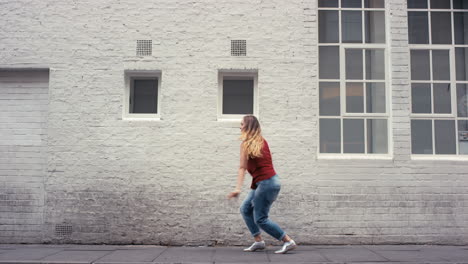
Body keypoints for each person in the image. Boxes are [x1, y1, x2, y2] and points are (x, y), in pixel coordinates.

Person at [227, 115, 297, 254]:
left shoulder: (246, 144)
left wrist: (237, 188)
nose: (240, 127)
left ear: (248, 126)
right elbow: (260, 168)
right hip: (266, 182)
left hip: (267, 183)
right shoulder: (262, 142)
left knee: (260, 218)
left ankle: (288, 241)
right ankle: (258, 241)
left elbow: (242, 167)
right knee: (245, 208)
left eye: (242, 124)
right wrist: (254, 186)